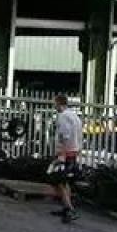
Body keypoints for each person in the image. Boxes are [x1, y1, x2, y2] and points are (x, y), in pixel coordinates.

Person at [48, 94, 83, 223]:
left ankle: (70, 209)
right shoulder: (74, 116)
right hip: (74, 152)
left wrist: (60, 155)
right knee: (66, 181)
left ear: (59, 103)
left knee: (59, 181)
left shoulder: (63, 117)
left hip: (66, 153)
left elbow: (64, 136)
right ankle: (65, 207)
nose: (54, 106)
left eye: (55, 104)